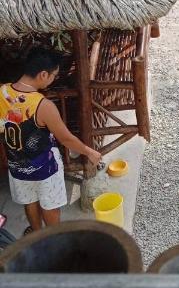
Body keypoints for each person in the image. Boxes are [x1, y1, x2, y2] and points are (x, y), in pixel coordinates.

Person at [0, 47, 102, 232]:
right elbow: (66, 139)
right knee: (50, 204)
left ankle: (36, 234)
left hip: (17, 164)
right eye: (54, 75)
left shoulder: (2, 91)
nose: (54, 79)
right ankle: (53, 239)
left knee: (29, 200)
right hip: (44, 167)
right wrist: (90, 152)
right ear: (43, 74)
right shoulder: (42, 105)